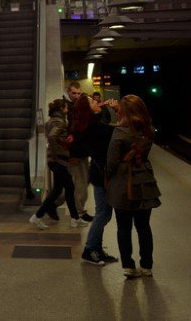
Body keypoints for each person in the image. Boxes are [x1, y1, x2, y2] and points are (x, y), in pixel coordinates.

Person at [107, 94, 161, 278]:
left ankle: (128, 266)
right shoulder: (148, 130)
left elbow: (112, 161)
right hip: (144, 181)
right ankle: (146, 266)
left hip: (124, 182)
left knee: (123, 227)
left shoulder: (120, 132)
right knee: (144, 226)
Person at [28, 98, 88, 230]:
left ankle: (75, 218)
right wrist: (57, 153)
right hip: (58, 160)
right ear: (62, 109)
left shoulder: (51, 120)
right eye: (66, 107)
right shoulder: (60, 122)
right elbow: (52, 137)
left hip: (56, 160)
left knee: (60, 190)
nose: (68, 109)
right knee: (66, 189)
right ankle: (37, 216)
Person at [74, 94, 118, 266]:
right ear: (88, 110)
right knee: (103, 214)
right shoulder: (95, 128)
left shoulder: (89, 126)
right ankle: (90, 249)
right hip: (102, 176)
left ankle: (96, 249)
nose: (97, 101)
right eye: (92, 102)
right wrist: (118, 111)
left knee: (104, 213)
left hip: (99, 174)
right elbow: (119, 132)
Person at [64, 81, 92, 221]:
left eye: (78, 93)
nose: (76, 96)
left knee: (77, 183)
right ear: (68, 92)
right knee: (80, 184)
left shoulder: (77, 108)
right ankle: (79, 212)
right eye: (74, 93)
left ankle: (51, 204)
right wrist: (71, 153)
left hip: (81, 151)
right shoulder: (66, 108)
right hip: (75, 153)